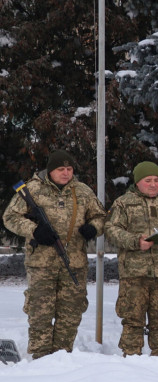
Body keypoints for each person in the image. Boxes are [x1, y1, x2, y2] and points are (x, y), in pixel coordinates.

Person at [2, 150, 105, 359]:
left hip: (74, 263)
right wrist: (34, 230)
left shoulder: (82, 191)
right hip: (41, 264)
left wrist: (93, 228)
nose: (66, 173)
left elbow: (101, 217)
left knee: (71, 313)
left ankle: (62, 359)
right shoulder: (32, 189)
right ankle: (40, 360)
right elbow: (10, 217)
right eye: (61, 169)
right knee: (40, 313)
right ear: (50, 170)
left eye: (69, 169)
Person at [105, 161, 158, 356]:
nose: (153, 184)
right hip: (134, 273)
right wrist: (136, 241)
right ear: (137, 182)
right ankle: (131, 357)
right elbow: (111, 230)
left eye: (156, 180)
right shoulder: (123, 203)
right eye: (148, 180)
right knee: (132, 319)